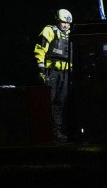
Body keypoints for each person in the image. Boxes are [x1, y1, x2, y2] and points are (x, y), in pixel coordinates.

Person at [34, 9, 72, 143]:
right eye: (63, 22)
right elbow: (40, 48)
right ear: (57, 20)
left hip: (66, 73)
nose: (66, 25)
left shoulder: (71, 35)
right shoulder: (50, 30)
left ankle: (57, 131)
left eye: (68, 23)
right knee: (47, 102)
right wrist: (40, 67)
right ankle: (45, 132)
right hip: (51, 72)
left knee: (61, 103)